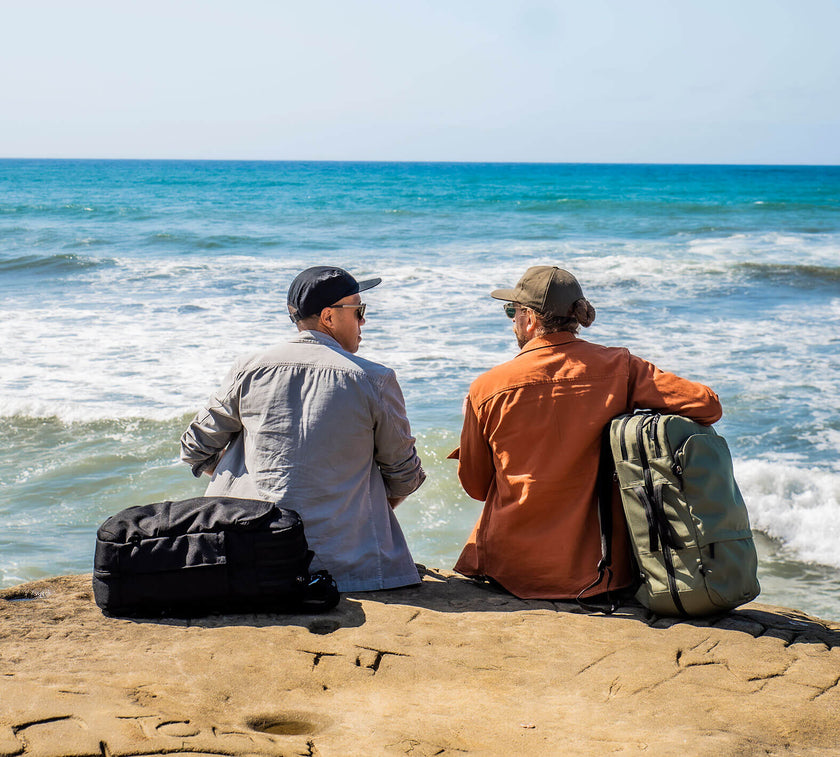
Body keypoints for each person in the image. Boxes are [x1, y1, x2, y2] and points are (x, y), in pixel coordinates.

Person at [451, 265, 723, 600]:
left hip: (511, 570)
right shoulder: (620, 367)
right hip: (603, 573)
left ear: (531, 320)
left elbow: (476, 487)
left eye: (512, 311)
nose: (511, 320)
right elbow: (708, 405)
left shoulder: (487, 387)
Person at [180, 265, 426, 592]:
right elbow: (404, 475)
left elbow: (194, 447)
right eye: (359, 310)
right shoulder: (374, 379)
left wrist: (251, 475)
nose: (363, 320)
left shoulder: (251, 367)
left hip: (250, 556)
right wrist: (354, 506)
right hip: (348, 568)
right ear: (328, 316)